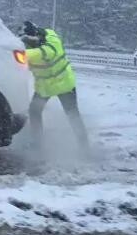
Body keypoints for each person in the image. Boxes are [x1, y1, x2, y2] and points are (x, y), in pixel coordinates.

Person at [19, 21, 89, 153]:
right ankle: (37, 143)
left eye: (29, 40)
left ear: (36, 36)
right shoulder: (29, 49)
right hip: (45, 87)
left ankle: (84, 146)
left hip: (64, 85)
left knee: (72, 114)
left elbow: (47, 53)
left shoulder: (51, 39)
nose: (27, 44)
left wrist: (17, 52)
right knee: (34, 111)